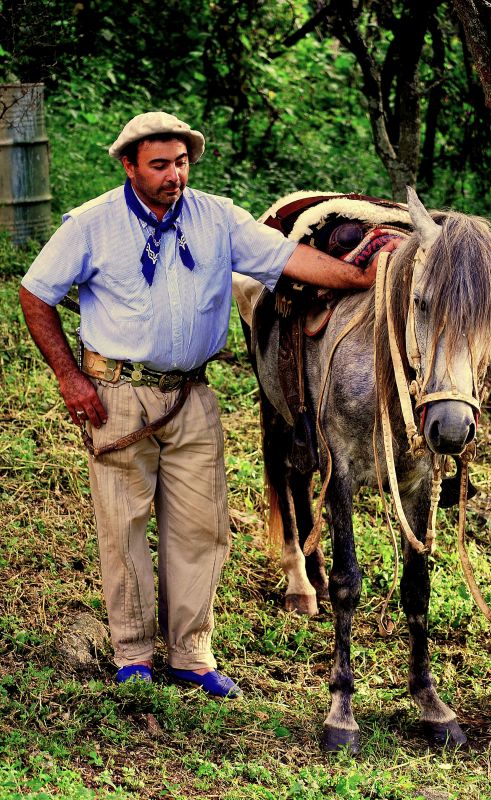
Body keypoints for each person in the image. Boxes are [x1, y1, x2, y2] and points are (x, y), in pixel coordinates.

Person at [19, 112, 377, 695]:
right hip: (117, 395)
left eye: (181, 162)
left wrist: (365, 277)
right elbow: (35, 294)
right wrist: (69, 377)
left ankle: (190, 655)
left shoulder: (217, 218)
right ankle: (132, 655)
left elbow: (289, 262)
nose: (173, 175)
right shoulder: (92, 224)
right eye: (159, 165)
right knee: (124, 524)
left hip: (191, 395)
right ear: (130, 166)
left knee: (201, 528)